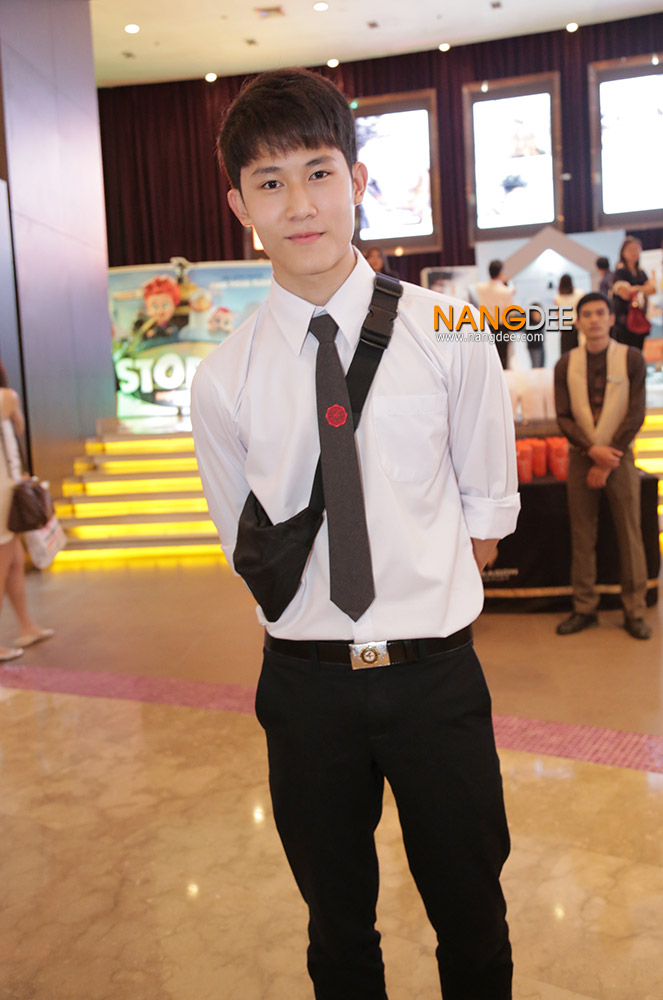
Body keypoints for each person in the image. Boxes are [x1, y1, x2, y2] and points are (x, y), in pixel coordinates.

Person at [192, 68, 520, 1000]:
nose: (299, 204)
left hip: (434, 679)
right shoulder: (222, 380)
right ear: (239, 205)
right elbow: (247, 544)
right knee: (337, 930)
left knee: (471, 915)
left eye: (318, 172)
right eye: (269, 182)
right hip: (305, 691)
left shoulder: (450, 330)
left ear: (358, 180)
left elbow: (484, 521)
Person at [554, 292, 650, 640]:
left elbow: (636, 413)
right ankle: (584, 608)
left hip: (620, 459)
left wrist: (608, 458)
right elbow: (563, 416)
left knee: (630, 533)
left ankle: (635, 610)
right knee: (582, 534)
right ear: (578, 322)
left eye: (600, 313)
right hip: (582, 458)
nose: (594, 319)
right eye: (587, 315)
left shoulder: (631, 358)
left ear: (611, 318)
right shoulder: (565, 364)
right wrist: (593, 451)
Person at [0, 364, 55, 660]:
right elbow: (18, 427)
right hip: (2, 494)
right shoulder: (6, 397)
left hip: (6, 489)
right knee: (3, 564)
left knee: (15, 561)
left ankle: (27, 626)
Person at [611, 237, 656, 349]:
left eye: (637, 249)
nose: (634, 253)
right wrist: (642, 288)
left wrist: (635, 288)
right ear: (623, 252)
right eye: (631, 249)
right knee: (626, 350)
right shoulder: (620, 271)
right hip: (624, 320)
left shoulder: (640, 271)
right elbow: (625, 294)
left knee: (639, 350)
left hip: (640, 317)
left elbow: (652, 289)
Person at [476, 259, 516, 369]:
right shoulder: (506, 291)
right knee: (503, 358)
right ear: (500, 272)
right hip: (502, 327)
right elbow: (511, 312)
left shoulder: (480, 288)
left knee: (490, 358)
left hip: (487, 326)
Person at [555, 274, 585, 354]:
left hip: (565, 327)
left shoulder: (558, 297)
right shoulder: (580, 293)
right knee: (579, 352)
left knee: (567, 354)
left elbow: (559, 315)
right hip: (577, 325)